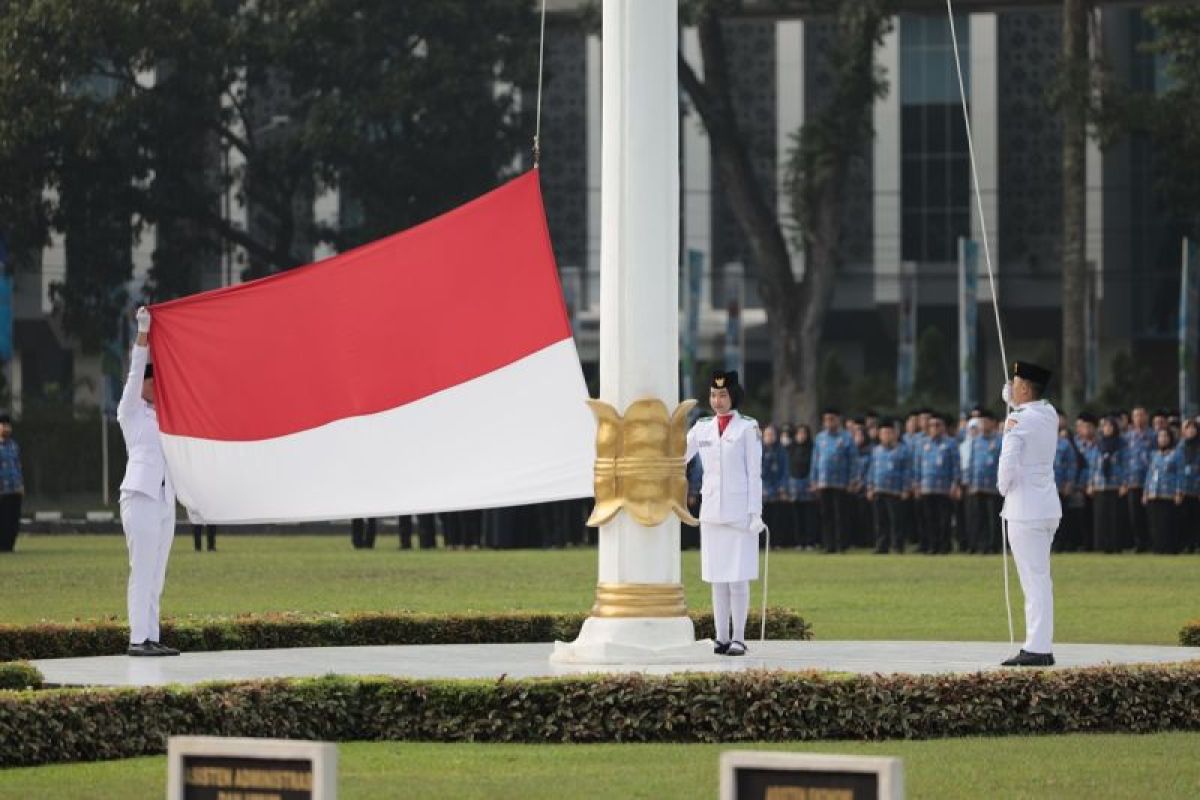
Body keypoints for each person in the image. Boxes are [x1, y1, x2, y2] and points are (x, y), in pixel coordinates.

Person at [684, 370, 764, 657]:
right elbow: (679, 455)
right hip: (712, 510)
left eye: (723, 395)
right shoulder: (702, 427)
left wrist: (756, 512)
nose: (717, 400)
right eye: (714, 395)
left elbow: (755, 474)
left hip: (740, 511)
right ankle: (720, 636)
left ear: (734, 396)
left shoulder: (747, 428)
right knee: (717, 577)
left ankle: (739, 637)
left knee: (738, 577)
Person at [117, 307, 180, 657]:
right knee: (141, 569)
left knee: (157, 573)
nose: (157, 385)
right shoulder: (130, 410)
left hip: (164, 498)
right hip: (140, 494)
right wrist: (145, 330)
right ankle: (137, 639)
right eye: (152, 380)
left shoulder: (167, 416)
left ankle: (151, 636)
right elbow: (135, 367)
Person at [997, 361, 1062, 667]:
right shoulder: (1049, 414)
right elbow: (1026, 406)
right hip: (1046, 506)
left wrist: (1002, 487)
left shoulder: (1017, 420)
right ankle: (1039, 643)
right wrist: (1011, 399)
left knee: (1033, 581)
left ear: (1024, 388)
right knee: (1039, 578)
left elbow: (1007, 462)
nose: (1012, 385)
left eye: (1015, 381)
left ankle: (1037, 647)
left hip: (1024, 509)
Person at [915, 414, 961, 554]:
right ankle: (932, 545)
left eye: (938, 425)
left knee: (944, 519)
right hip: (927, 487)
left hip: (944, 488)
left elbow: (955, 466)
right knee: (929, 519)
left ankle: (944, 546)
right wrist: (916, 484)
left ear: (943, 427)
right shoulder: (923, 443)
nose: (934, 428)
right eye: (931, 425)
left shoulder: (950, 443)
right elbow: (917, 466)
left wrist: (955, 484)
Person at [810, 408, 853, 552]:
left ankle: (842, 545)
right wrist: (814, 479)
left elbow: (853, 461)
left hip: (841, 482)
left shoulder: (846, 438)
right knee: (826, 515)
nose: (829, 422)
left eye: (831, 419)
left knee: (840, 515)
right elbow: (815, 460)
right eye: (826, 419)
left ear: (838, 420)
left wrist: (852, 480)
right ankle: (829, 545)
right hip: (823, 481)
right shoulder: (820, 438)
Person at [865, 419, 909, 553]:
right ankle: (882, 545)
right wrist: (870, 486)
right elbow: (872, 469)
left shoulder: (903, 450)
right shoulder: (876, 451)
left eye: (889, 433)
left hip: (895, 490)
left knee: (896, 520)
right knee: (880, 520)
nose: (886, 436)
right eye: (884, 433)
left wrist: (906, 488)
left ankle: (897, 545)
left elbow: (907, 471)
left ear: (895, 434)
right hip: (879, 488)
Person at [1087, 416, 1127, 553]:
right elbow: (1092, 465)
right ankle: (1102, 546)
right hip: (1099, 484)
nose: (1107, 429)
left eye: (1110, 426)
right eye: (1105, 426)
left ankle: (1116, 546)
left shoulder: (1121, 444)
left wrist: (1124, 483)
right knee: (1101, 517)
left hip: (1115, 485)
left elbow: (1125, 465)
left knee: (1115, 517)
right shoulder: (1098, 445)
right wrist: (1090, 483)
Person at [965, 411, 1002, 554]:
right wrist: (969, 481)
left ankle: (994, 545)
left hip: (993, 486)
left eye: (986, 422)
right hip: (977, 485)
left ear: (993, 423)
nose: (983, 425)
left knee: (993, 517)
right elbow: (972, 462)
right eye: (981, 422)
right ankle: (980, 544)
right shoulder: (976, 441)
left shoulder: (1000, 441)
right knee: (978, 517)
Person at [1122, 406, 1154, 552]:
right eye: (1136, 416)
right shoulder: (1127, 437)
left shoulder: (1153, 436)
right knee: (1134, 515)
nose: (1139, 418)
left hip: (1150, 482)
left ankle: (1151, 542)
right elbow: (1124, 460)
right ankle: (1139, 543)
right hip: (1132, 481)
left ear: (1146, 417)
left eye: (1141, 415)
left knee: (1150, 514)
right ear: (1132, 419)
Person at [1144, 428, 1180, 554]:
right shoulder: (1154, 455)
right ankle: (1157, 547)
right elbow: (1149, 474)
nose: (1163, 439)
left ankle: (1169, 548)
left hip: (1168, 493)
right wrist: (1145, 492)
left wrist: (1178, 491)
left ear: (1170, 438)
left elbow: (1179, 473)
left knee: (1167, 522)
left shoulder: (1175, 454)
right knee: (1155, 522)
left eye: (1165, 436)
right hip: (1154, 492)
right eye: (1160, 436)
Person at [760, 425, 791, 549]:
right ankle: (762, 543)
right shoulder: (758, 449)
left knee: (776, 518)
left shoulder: (781, 451)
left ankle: (776, 542)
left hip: (777, 488)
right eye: (767, 435)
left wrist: (783, 486)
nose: (769, 437)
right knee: (762, 518)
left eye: (771, 435)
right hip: (762, 489)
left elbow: (785, 470)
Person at [1176, 418, 1200, 554]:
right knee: (1184, 518)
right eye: (1188, 428)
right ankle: (1186, 544)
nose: (1191, 431)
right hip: (1183, 487)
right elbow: (1177, 468)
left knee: (1196, 517)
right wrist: (1178, 488)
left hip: (1196, 487)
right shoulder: (1180, 447)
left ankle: (1196, 543)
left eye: (1193, 428)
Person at [0, 414, 24, 553]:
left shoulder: (14, 446)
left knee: (12, 521)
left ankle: (9, 546)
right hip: (1, 490)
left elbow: (17, 466)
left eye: (8, 425)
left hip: (14, 490)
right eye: (3, 425)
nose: (6, 428)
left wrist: (21, 485)